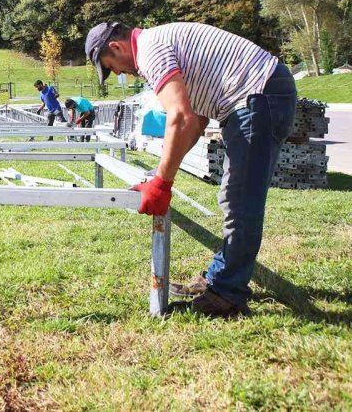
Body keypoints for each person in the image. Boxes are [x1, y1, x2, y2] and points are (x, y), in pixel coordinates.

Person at [85, 21, 296, 318]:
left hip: (259, 97)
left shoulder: (150, 52)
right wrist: (161, 174)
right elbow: (195, 122)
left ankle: (227, 296)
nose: (118, 73)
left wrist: (163, 183)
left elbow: (179, 117)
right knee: (236, 197)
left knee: (240, 199)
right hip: (259, 95)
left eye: (111, 66)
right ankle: (220, 279)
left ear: (117, 47)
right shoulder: (161, 47)